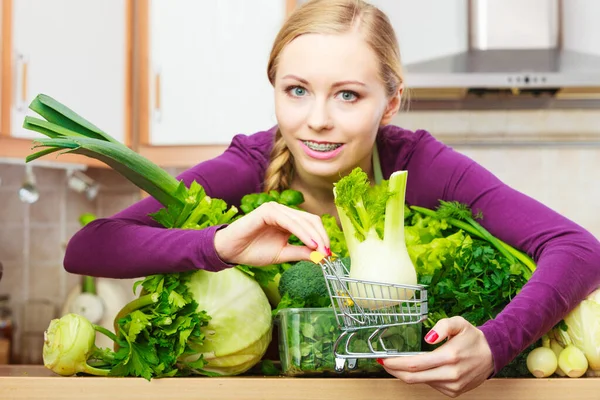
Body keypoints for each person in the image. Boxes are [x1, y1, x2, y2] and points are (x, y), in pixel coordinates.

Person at [64, 0, 600, 397]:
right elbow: (88, 248)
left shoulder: (421, 166)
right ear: (274, 88)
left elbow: (578, 248)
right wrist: (222, 243)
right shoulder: (247, 165)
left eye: (348, 94)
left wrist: (494, 342)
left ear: (389, 103)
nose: (317, 118)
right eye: (297, 90)